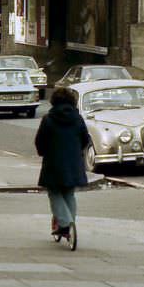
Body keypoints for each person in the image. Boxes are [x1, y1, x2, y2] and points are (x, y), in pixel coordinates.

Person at [34, 87, 89, 240]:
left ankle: (65, 223)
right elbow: (85, 139)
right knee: (69, 192)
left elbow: (40, 141)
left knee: (54, 192)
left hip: (54, 162)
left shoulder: (48, 119)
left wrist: (43, 152)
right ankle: (71, 225)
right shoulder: (78, 119)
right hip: (73, 162)